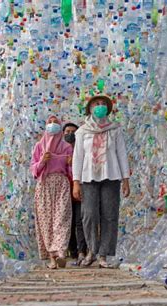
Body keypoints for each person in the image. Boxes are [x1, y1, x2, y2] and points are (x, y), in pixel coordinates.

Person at [72, 95, 130, 268]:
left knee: (109, 215)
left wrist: (126, 179)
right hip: (88, 177)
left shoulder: (115, 129)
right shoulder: (82, 131)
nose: (100, 106)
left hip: (111, 175)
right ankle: (91, 250)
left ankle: (103, 254)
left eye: (103, 103)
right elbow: (78, 157)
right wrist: (76, 181)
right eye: (96, 104)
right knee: (89, 214)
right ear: (90, 108)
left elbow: (121, 153)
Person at [30, 115, 73, 269]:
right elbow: (33, 170)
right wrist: (43, 161)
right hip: (44, 185)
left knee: (62, 218)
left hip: (61, 184)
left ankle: (61, 253)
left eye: (56, 122)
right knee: (46, 221)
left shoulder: (67, 148)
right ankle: (52, 258)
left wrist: (70, 164)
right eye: (50, 122)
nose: (53, 124)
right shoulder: (39, 147)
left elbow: (71, 173)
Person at [63, 122, 88, 265]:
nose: (70, 134)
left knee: (80, 221)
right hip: (64, 193)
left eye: (73, 131)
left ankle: (82, 250)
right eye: (67, 131)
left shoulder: (83, 150)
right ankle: (72, 251)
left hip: (79, 190)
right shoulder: (59, 150)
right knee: (68, 223)